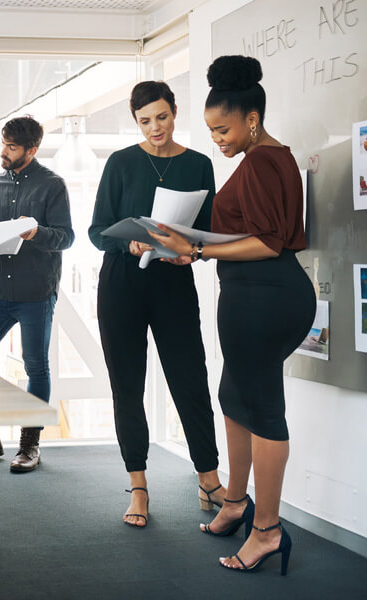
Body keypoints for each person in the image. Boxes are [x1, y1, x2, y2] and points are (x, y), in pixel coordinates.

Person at [148, 56, 316, 574]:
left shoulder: (266, 161)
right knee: (234, 398)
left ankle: (266, 530)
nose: (217, 139)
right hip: (250, 296)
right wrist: (192, 245)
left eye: (223, 129)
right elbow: (250, 235)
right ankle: (237, 504)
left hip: (268, 296)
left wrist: (198, 251)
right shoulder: (260, 160)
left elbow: (268, 242)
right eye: (211, 130)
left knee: (262, 407)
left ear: (251, 119)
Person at [88, 81, 226, 528]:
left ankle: (208, 476)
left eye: (162, 117)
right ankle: (139, 485)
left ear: (175, 111)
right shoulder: (121, 162)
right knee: (127, 385)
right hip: (122, 285)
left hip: (173, 283)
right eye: (145, 121)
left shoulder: (199, 164)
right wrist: (126, 242)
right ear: (135, 121)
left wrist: (190, 249)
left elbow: (204, 228)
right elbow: (96, 231)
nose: (155, 128)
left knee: (190, 379)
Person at [0, 116, 74, 473]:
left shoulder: (52, 185)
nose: (4, 152)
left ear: (32, 149)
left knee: (36, 366)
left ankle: (30, 446)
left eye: (11, 147)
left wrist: (35, 232)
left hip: (36, 293)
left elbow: (66, 237)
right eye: (4, 143)